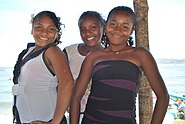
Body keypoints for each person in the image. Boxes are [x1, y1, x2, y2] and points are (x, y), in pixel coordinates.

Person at [70, 6, 169, 124]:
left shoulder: (141, 54)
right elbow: (76, 97)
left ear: (132, 30)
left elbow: (163, 97)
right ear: (106, 26)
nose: (118, 29)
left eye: (125, 26)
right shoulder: (93, 56)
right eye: (113, 24)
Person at [12, 11, 73, 124]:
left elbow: (67, 82)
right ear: (32, 29)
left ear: (56, 33)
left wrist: (54, 123)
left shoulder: (53, 51)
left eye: (50, 29)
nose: (44, 33)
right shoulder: (27, 52)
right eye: (39, 27)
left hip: (47, 119)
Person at [63, 11, 105, 122]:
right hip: (70, 114)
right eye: (83, 29)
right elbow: (58, 83)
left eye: (93, 27)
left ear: (103, 28)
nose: (88, 33)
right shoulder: (69, 52)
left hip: (98, 116)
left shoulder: (109, 55)